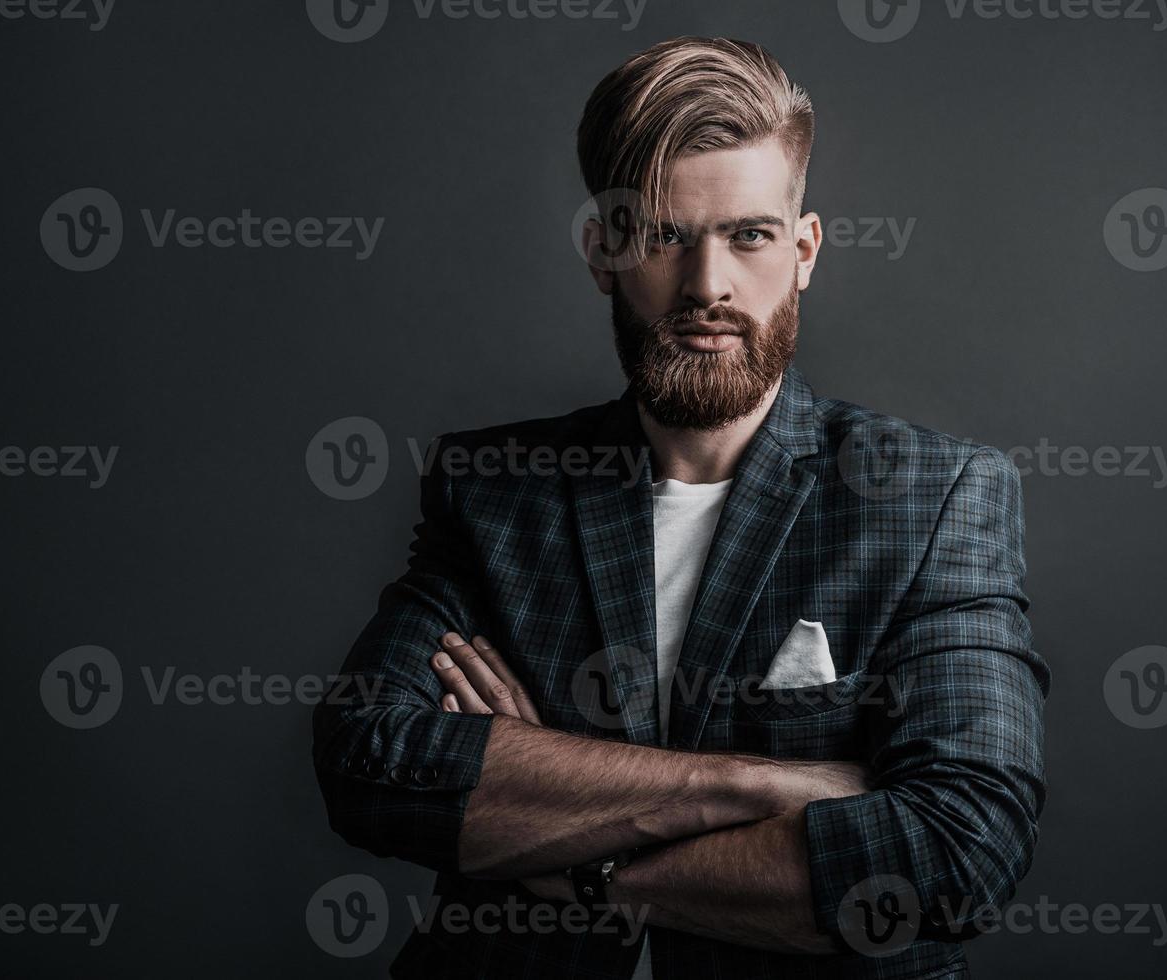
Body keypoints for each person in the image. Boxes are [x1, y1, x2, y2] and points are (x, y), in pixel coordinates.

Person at [312, 35, 1048, 979]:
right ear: (603, 253)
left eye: (748, 234)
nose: (707, 286)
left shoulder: (933, 499)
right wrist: (745, 784)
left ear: (804, 250)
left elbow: (956, 851)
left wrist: (580, 851)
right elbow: (369, 761)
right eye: (664, 235)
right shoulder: (493, 488)